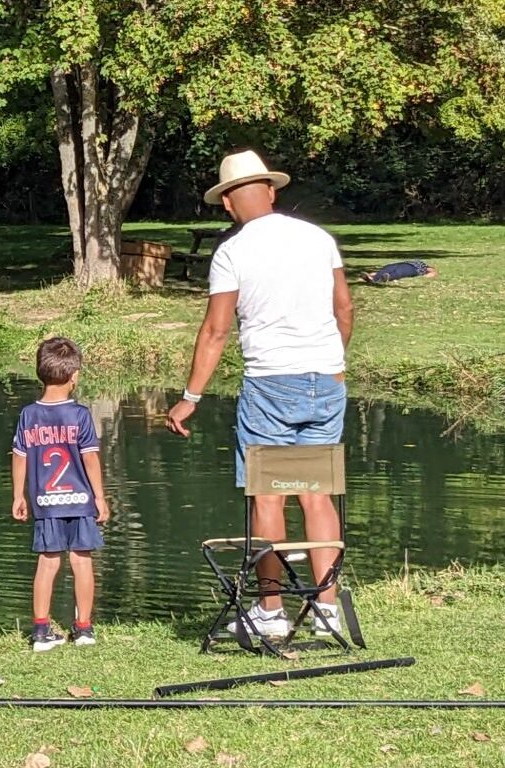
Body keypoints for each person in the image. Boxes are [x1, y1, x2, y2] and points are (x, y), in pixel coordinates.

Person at [166, 149, 353, 639]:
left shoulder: (232, 252)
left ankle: (270, 612)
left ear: (227, 203)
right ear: (271, 190)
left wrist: (191, 396)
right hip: (326, 381)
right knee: (317, 495)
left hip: (270, 383)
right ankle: (327, 607)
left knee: (266, 497)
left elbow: (215, 331)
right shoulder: (319, 238)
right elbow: (344, 309)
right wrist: (333, 364)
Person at [11, 337, 110, 651]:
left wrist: (18, 496)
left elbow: (20, 456)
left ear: (39, 372)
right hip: (79, 501)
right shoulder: (79, 415)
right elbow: (91, 458)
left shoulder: (28, 415)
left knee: (47, 562)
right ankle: (83, 629)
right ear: (75, 375)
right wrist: (100, 497)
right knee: (82, 562)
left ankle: (41, 631)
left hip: (45, 502)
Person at [362, 259, 437, 285]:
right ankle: (376, 279)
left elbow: (433, 272)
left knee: (388, 270)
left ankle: (373, 279)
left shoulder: (423, 266)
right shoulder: (424, 266)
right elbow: (433, 272)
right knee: (397, 272)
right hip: (409, 267)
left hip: (403, 265)